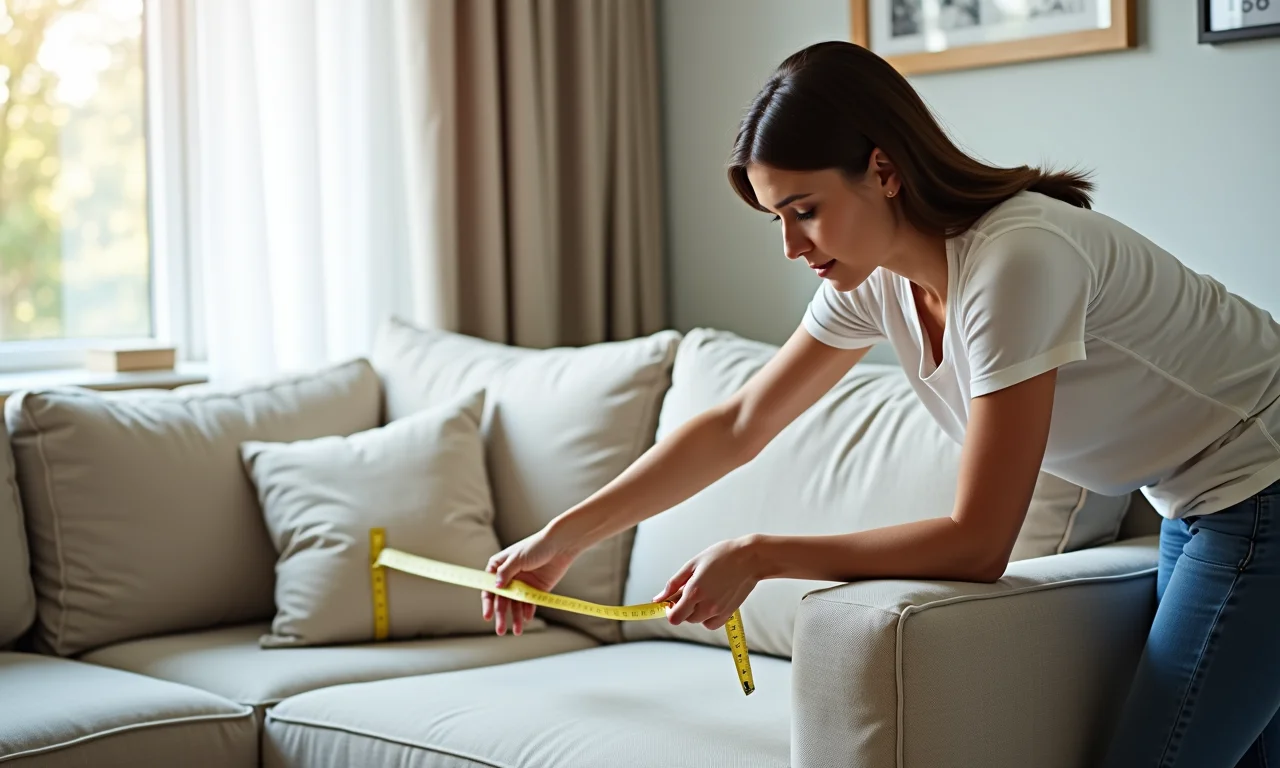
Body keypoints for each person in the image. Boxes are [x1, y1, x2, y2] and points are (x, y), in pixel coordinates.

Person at [480, 40, 1280, 768]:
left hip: (1258, 482)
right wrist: (561, 537)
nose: (792, 246)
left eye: (804, 210)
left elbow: (978, 544)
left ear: (884, 170)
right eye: (775, 219)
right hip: (1193, 496)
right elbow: (739, 423)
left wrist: (762, 554)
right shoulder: (878, 282)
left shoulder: (1016, 262)